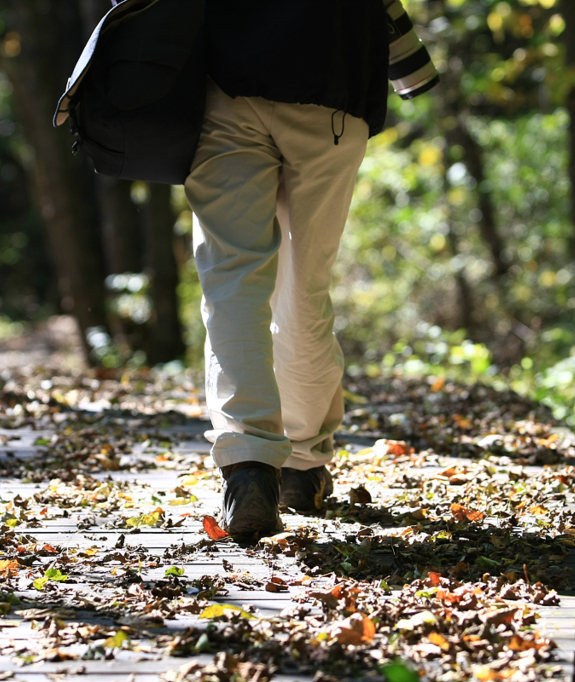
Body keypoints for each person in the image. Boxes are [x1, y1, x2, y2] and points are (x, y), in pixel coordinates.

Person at [184, 0, 439, 541]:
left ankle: (250, 468)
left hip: (226, 86)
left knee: (232, 279)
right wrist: (411, 69)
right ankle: (300, 466)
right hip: (332, 86)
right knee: (304, 286)